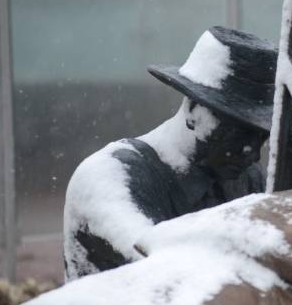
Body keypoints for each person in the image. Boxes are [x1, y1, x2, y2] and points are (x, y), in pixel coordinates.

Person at [62, 25, 276, 280]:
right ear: (195, 111)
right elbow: (166, 273)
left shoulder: (245, 176)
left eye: (261, 136)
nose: (252, 154)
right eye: (240, 133)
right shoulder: (109, 176)